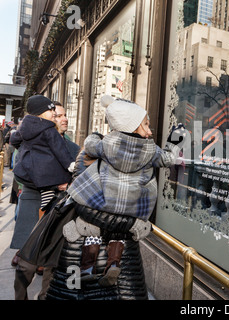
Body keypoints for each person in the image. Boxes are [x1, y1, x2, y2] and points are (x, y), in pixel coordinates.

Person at [48, 95, 185, 299]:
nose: (149, 131)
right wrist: (131, 225)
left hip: (80, 243)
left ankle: (87, 269)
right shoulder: (150, 152)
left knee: (72, 288)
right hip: (123, 250)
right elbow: (168, 157)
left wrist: (94, 136)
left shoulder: (98, 148)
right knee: (116, 290)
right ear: (131, 127)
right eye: (145, 125)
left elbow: (80, 199)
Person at [10, 95, 77, 300]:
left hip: (59, 207)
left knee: (53, 260)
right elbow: (23, 170)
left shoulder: (73, 148)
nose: (63, 119)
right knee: (28, 259)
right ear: (45, 118)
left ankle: (45, 296)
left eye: (65, 115)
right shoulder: (32, 137)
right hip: (33, 203)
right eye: (58, 115)